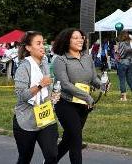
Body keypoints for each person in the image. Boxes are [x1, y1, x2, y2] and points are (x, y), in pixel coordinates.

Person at [53, 28, 103, 164]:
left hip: (83, 106)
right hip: (66, 104)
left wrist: (102, 85)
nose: (80, 39)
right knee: (76, 139)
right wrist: (87, 97)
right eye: (75, 37)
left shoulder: (87, 57)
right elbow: (65, 84)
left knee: (68, 139)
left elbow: (93, 78)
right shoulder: (60, 60)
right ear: (67, 40)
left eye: (81, 37)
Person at [12, 31, 58, 164]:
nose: (42, 46)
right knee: (25, 158)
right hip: (26, 120)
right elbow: (21, 95)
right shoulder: (23, 67)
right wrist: (40, 85)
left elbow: (47, 89)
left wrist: (52, 96)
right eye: (38, 43)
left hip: (45, 117)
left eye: (43, 43)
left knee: (52, 155)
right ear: (28, 47)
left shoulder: (45, 64)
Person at [116, 31, 132, 101]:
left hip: (122, 63)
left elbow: (118, 54)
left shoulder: (120, 44)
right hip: (130, 63)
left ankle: (124, 97)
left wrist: (116, 51)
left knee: (122, 80)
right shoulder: (131, 43)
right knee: (130, 80)